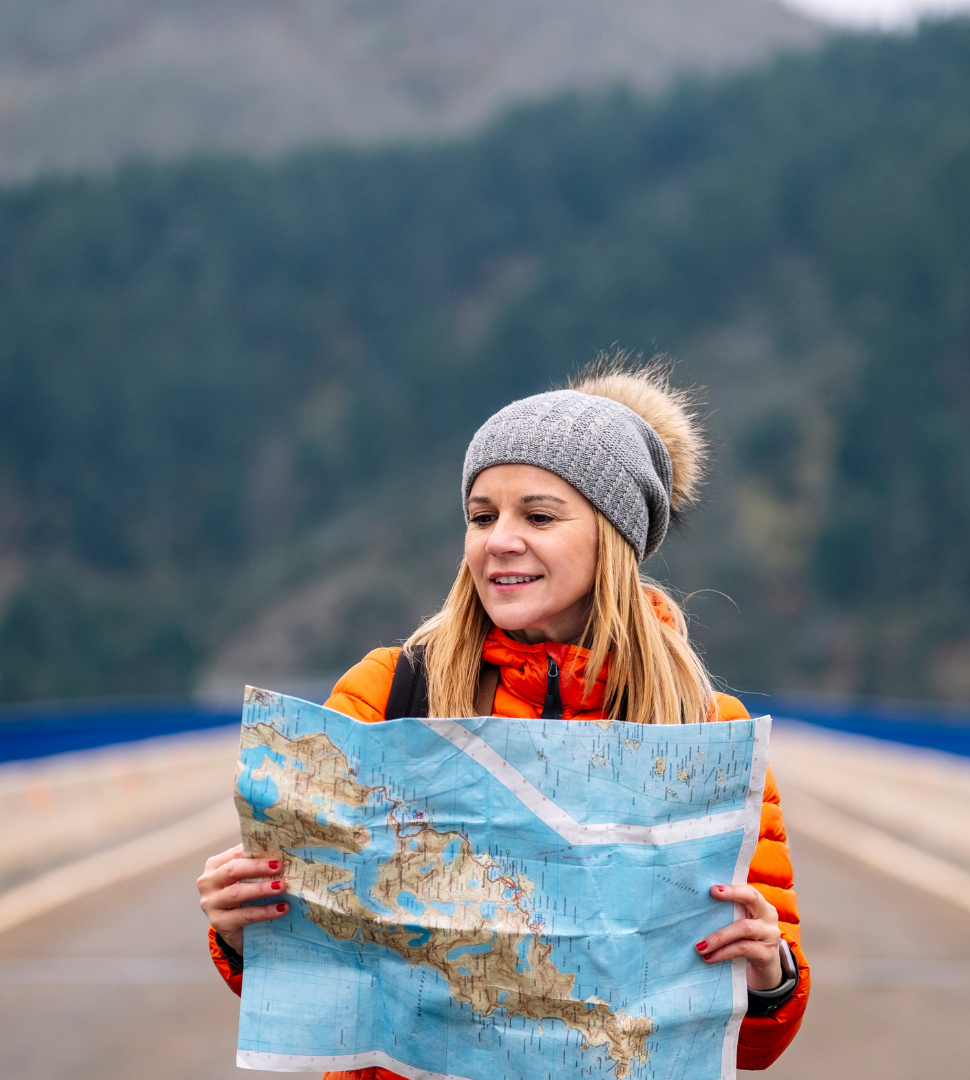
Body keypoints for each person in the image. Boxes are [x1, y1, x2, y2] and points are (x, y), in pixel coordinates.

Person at [198, 360, 810, 1074]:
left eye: (538, 515)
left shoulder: (703, 729)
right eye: (482, 516)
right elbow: (314, 973)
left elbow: (755, 1046)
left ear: (612, 539)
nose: (499, 540)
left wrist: (770, 975)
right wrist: (243, 929)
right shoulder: (390, 692)